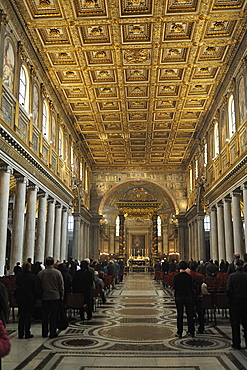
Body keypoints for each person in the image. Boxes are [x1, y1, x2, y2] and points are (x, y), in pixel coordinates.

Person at [38, 256, 64, 339]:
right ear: (53, 263)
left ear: (45, 263)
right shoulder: (57, 273)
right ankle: (52, 332)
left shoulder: (41, 273)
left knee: (44, 315)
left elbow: (38, 286)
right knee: (54, 315)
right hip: (55, 296)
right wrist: (62, 295)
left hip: (45, 296)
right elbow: (61, 285)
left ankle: (44, 332)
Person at [16, 262, 41, 339]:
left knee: (22, 315)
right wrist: (37, 296)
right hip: (30, 298)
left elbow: (17, 284)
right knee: (28, 316)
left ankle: (20, 333)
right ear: (30, 268)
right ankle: (27, 332)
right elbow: (36, 288)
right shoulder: (33, 277)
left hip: (21, 297)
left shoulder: (19, 276)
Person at [227, 259, 247, 349]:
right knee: (246, 323)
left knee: (235, 324)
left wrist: (229, 301)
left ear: (235, 266)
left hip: (235, 302)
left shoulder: (232, 276)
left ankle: (236, 343)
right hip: (245, 302)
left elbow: (228, 290)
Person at [174, 260, 194, 338]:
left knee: (180, 315)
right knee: (190, 314)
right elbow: (191, 287)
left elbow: (175, 287)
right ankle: (191, 331)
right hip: (188, 297)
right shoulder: (190, 277)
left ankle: (179, 332)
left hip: (179, 297)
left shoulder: (176, 277)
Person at [189, 261, 204, 334]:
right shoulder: (200, 276)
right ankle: (201, 327)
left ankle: (191, 328)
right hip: (199, 295)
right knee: (200, 312)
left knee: (191, 313)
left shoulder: (188, 276)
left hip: (190, 296)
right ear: (197, 268)